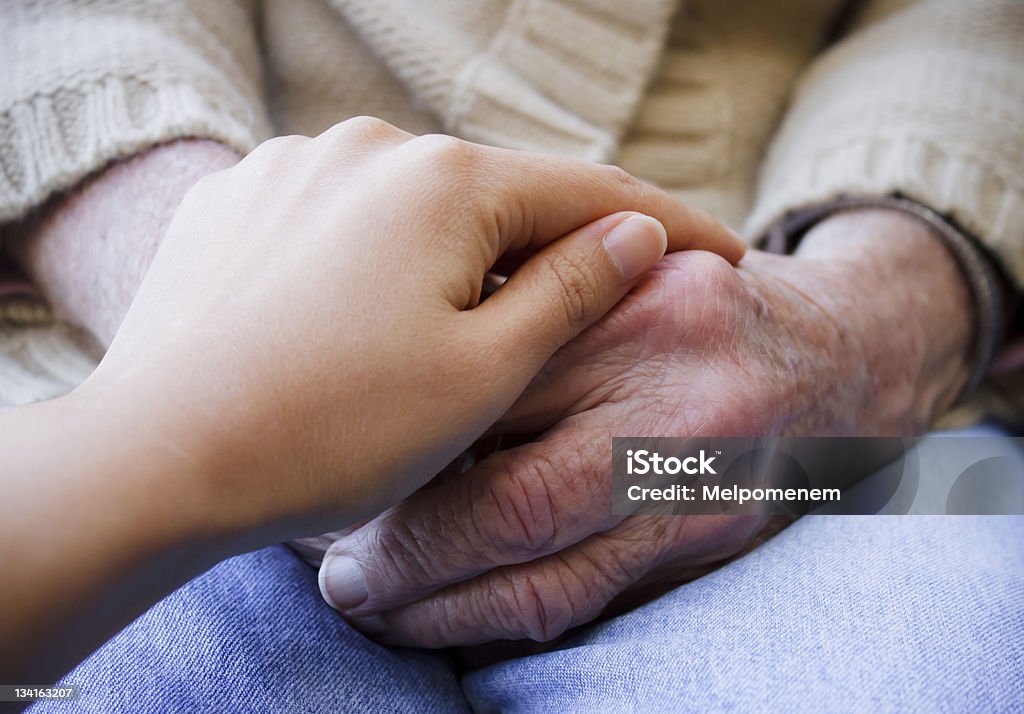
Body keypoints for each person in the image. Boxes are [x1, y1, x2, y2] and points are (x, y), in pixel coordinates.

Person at [1, 0, 1021, 711]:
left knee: (929, 676)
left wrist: (859, 326)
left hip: (804, 419)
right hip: (105, 340)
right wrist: (215, 317)